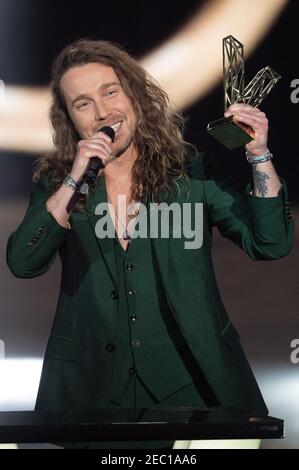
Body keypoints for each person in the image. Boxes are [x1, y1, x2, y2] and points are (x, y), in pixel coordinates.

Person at [6, 39, 294, 449]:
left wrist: (259, 154)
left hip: (196, 389)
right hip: (92, 394)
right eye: (83, 103)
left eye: (110, 91)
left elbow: (271, 243)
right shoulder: (61, 186)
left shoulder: (192, 174)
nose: (103, 111)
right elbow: (23, 261)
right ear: (70, 119)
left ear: (136, 97)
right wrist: (73, 179)